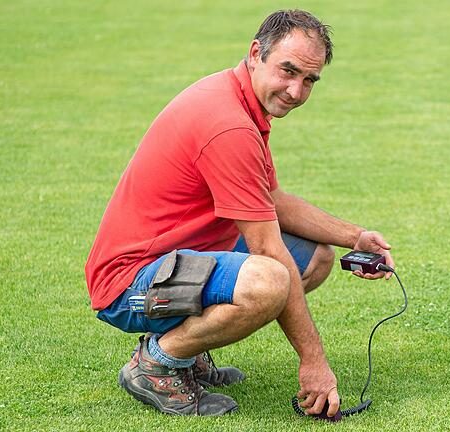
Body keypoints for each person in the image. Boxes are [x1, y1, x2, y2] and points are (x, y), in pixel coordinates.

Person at [84, 9, 395, 418]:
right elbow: (267, 250)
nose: (296, 91)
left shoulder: (237, 98)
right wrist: (314, 362)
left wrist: (354, 236)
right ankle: (158, 363)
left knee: (316, 257)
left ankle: (186, 350)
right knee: (268, 281)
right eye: (288, 71)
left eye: (309, 80)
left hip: (176, 259)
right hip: (128, 282)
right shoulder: (228, 125)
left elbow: (271, 200)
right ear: (255, 53)